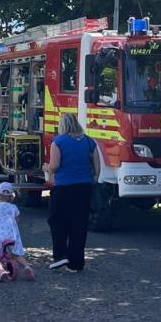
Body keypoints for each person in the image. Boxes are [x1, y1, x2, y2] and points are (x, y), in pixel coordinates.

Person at [45, 113, 100, 272]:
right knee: (79, 224)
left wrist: (46, 168)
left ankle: (60, 255)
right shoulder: (90, 141)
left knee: (57, 220)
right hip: (84, 186)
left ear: (62, 125)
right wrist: (93, 179)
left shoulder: (58, 141)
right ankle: (76, 262)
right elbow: (97, 168)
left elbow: (54, 166)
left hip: (63, 186)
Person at [0, 182, 35, 282]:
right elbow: (17, 220)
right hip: (12, 235)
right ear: (11, 196)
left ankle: (0, 270)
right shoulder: (14, 208)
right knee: (16, 254)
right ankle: (27, 267)